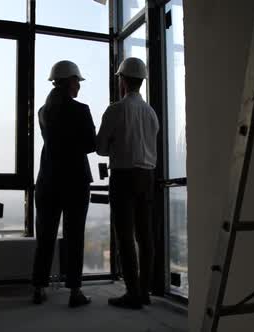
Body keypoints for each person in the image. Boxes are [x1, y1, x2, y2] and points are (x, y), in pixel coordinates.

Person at [32, 60, 96, 308]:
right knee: (74, 236)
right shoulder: (81, 110)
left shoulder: (42, 112)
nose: (78, 86)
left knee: (45, 237)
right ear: (71, 82)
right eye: (77, 82)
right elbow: (91, 145)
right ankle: (75, 292)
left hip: (47, 180)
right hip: (75, 181)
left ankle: (38, 287)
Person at [96, 57, 159, 309]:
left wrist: (115, 145)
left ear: (122, 80)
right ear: (142, 81)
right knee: (146, 236)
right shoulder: (151, 113)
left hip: (123, 177)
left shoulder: (115, 110)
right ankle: (144, 291)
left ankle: (132, 294)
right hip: (147, 176)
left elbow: (100, 147)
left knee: (124, 236)